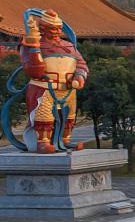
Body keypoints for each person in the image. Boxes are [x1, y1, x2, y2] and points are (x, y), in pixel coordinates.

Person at [21, 10, 88, 153]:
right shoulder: (30, 45)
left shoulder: (69, 46)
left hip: (68, 88)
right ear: (43, 28)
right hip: (43, 87)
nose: (57, 31)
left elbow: (81, 64)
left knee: (68, 115)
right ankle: (42, 142)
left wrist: (79, 77)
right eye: (53, 28)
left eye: (59, 28)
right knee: (44, 116)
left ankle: (65, 140)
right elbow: (33, 70)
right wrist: (33, 48)